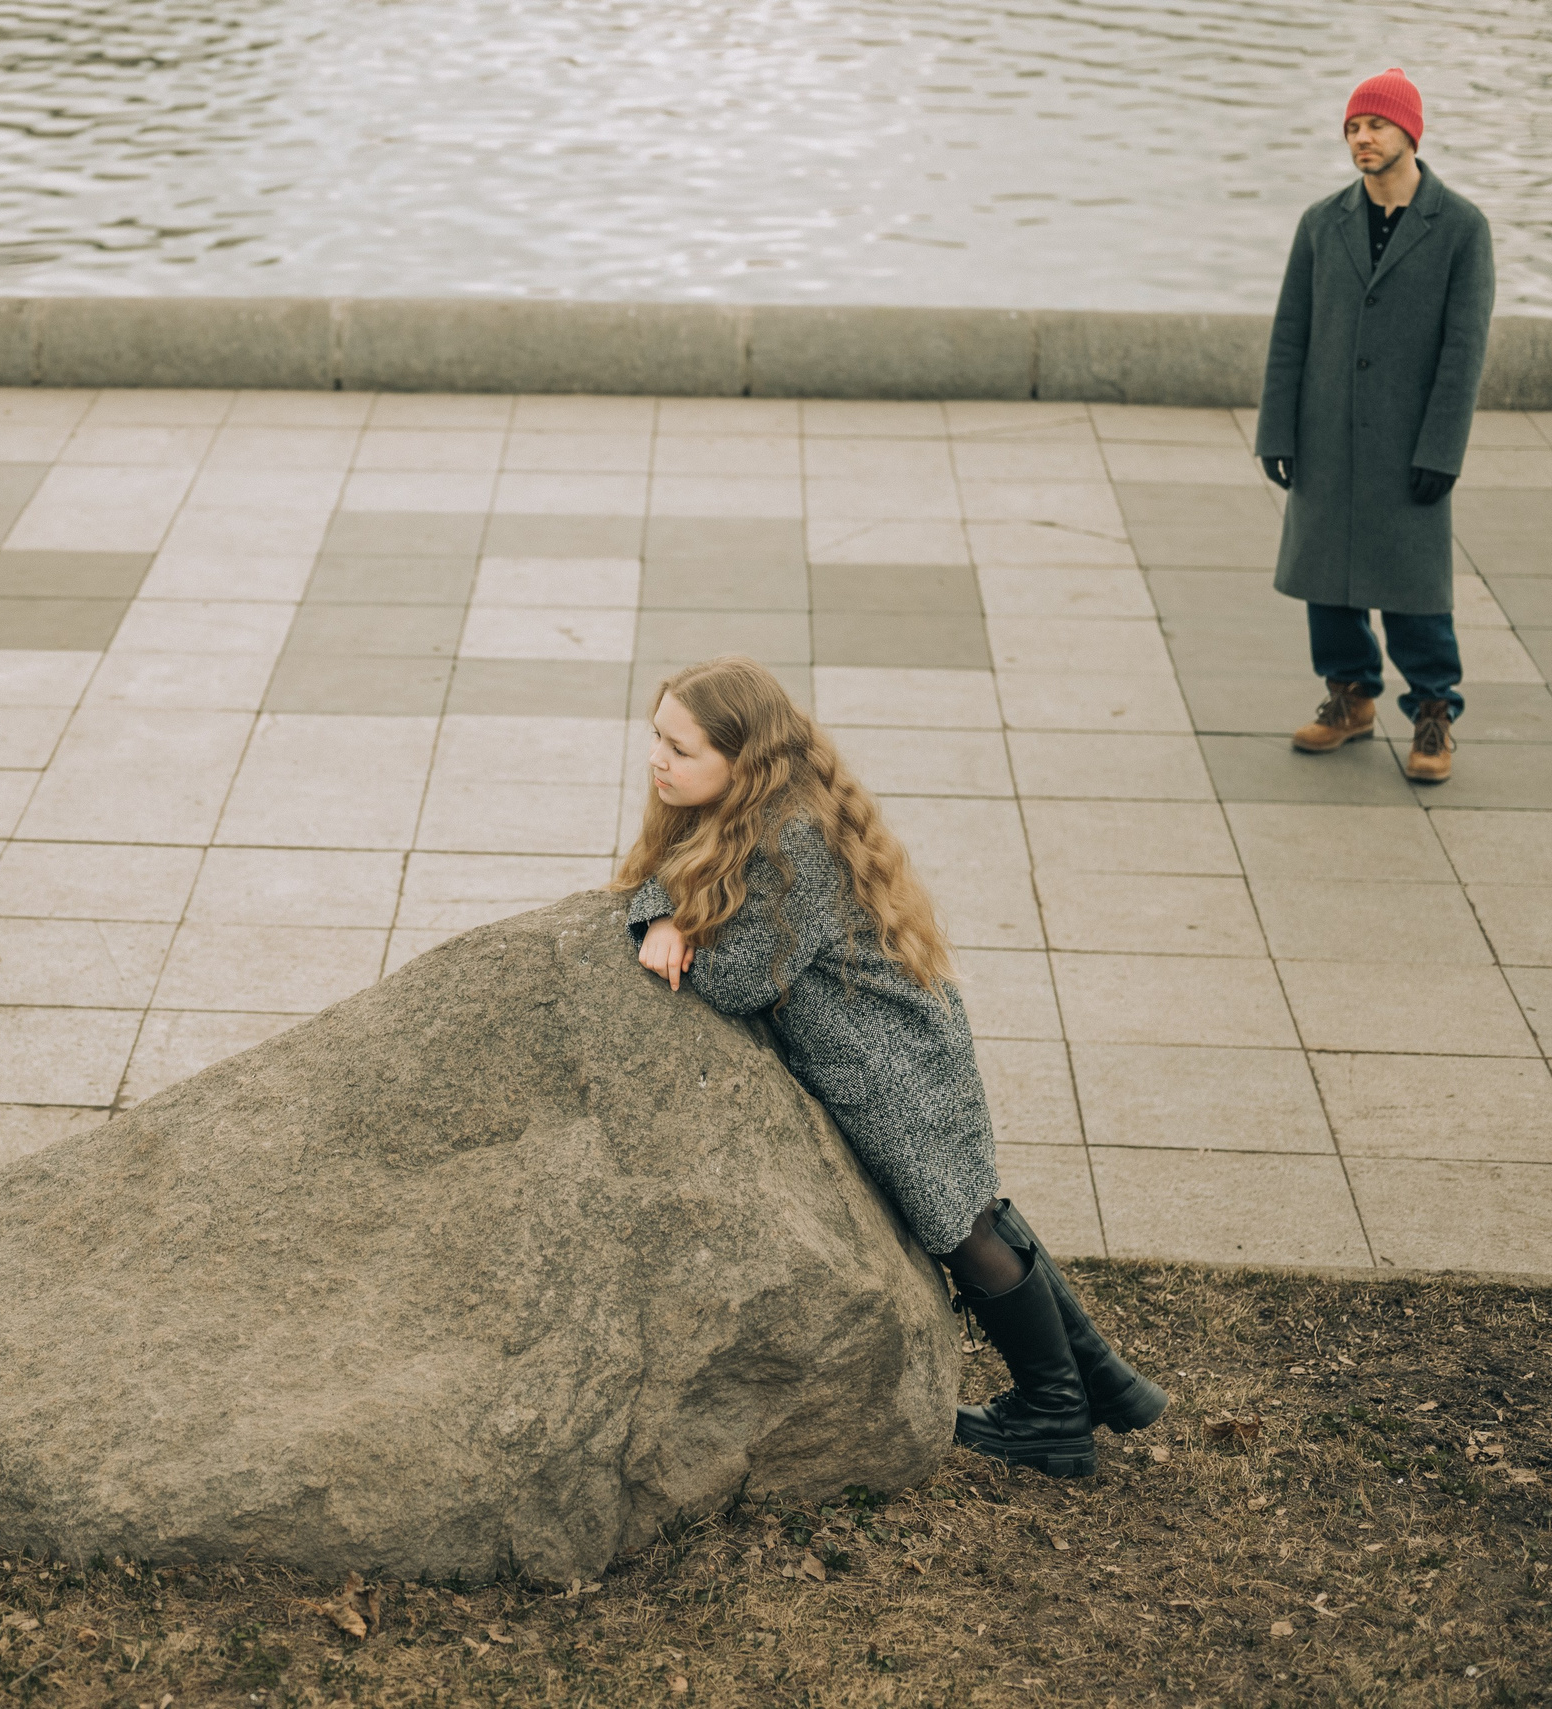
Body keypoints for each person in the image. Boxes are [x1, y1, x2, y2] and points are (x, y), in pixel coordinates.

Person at [614, 657, 1164, 1478]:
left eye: (681, 748)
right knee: (970, 1210)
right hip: (900, 1039)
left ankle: (1055, 1413)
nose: (659, 759)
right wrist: (665, 901)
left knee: (960, 1228)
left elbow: (733, 980)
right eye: (657, 736)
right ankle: (1104, 1383)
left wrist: (660, 919)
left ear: (744, 760)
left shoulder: (786, 837)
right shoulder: (751, 810)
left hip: (889, 1064)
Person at [1258, 66, 1495, 784]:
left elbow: (1465, 350)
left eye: (1376, 125)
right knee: (1327, 578)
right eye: (1353, 127)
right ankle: (1350, 693)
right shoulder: (1320, 222)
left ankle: (1432, 710)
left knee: (1415, 586)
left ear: (1409, 133)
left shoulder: (1461, 228)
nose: (1362, 138)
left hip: (1409, 440)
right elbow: (1291, 332)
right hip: (1326, 429)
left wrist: (1443, 448)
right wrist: (1278, 430)